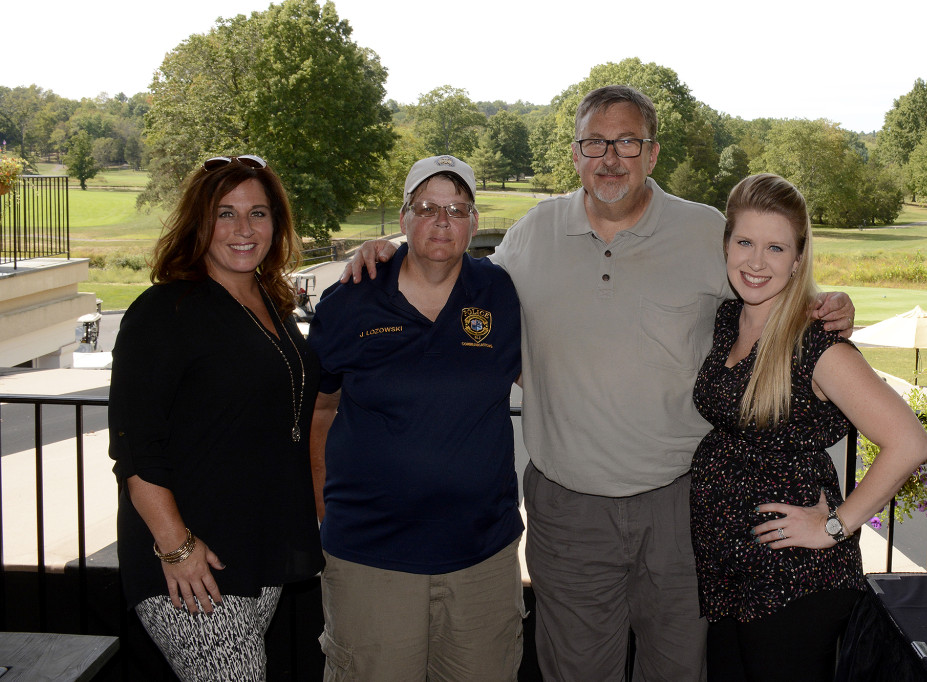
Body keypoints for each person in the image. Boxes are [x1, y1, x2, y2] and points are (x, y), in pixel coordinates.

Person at [343, 86, 856, 681]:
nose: (610, 158)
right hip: (568, 513)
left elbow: (768, 278)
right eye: (595, 143)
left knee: (678, 670)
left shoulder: (704, 232)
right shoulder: (534, 233)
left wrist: (827, 303)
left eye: (627, 142)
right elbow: (455, 279)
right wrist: (390, 252)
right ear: (575, 152)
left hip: (680, 508)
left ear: (653, 153)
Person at [690, 173, 927, 681]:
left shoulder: (817, 345)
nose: (756, 262)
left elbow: (909, 442)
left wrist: (833, 527)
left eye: (776, 247)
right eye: (744, 242)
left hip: (794, 579)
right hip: (731, 575)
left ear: (798, 258)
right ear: (726, 244)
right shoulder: (728, 318)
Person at [308, 155, 525, 681]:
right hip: (370, 559)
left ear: (474, 222)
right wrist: (322, 508)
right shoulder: (351, 298)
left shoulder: (499, 292)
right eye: (427, 207)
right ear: (403, 219)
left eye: (457, 208)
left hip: (482, 558)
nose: (442, 221)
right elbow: (320, 408)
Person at [108, 155, 323, 681]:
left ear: (277, 223)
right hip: (187, 562)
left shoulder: (271, 303)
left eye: (258, 213)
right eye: (225, 214)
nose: (244, 230)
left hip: (258, 548)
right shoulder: (164, 311)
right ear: (199, 223)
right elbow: (136, 448)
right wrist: (176, 547)